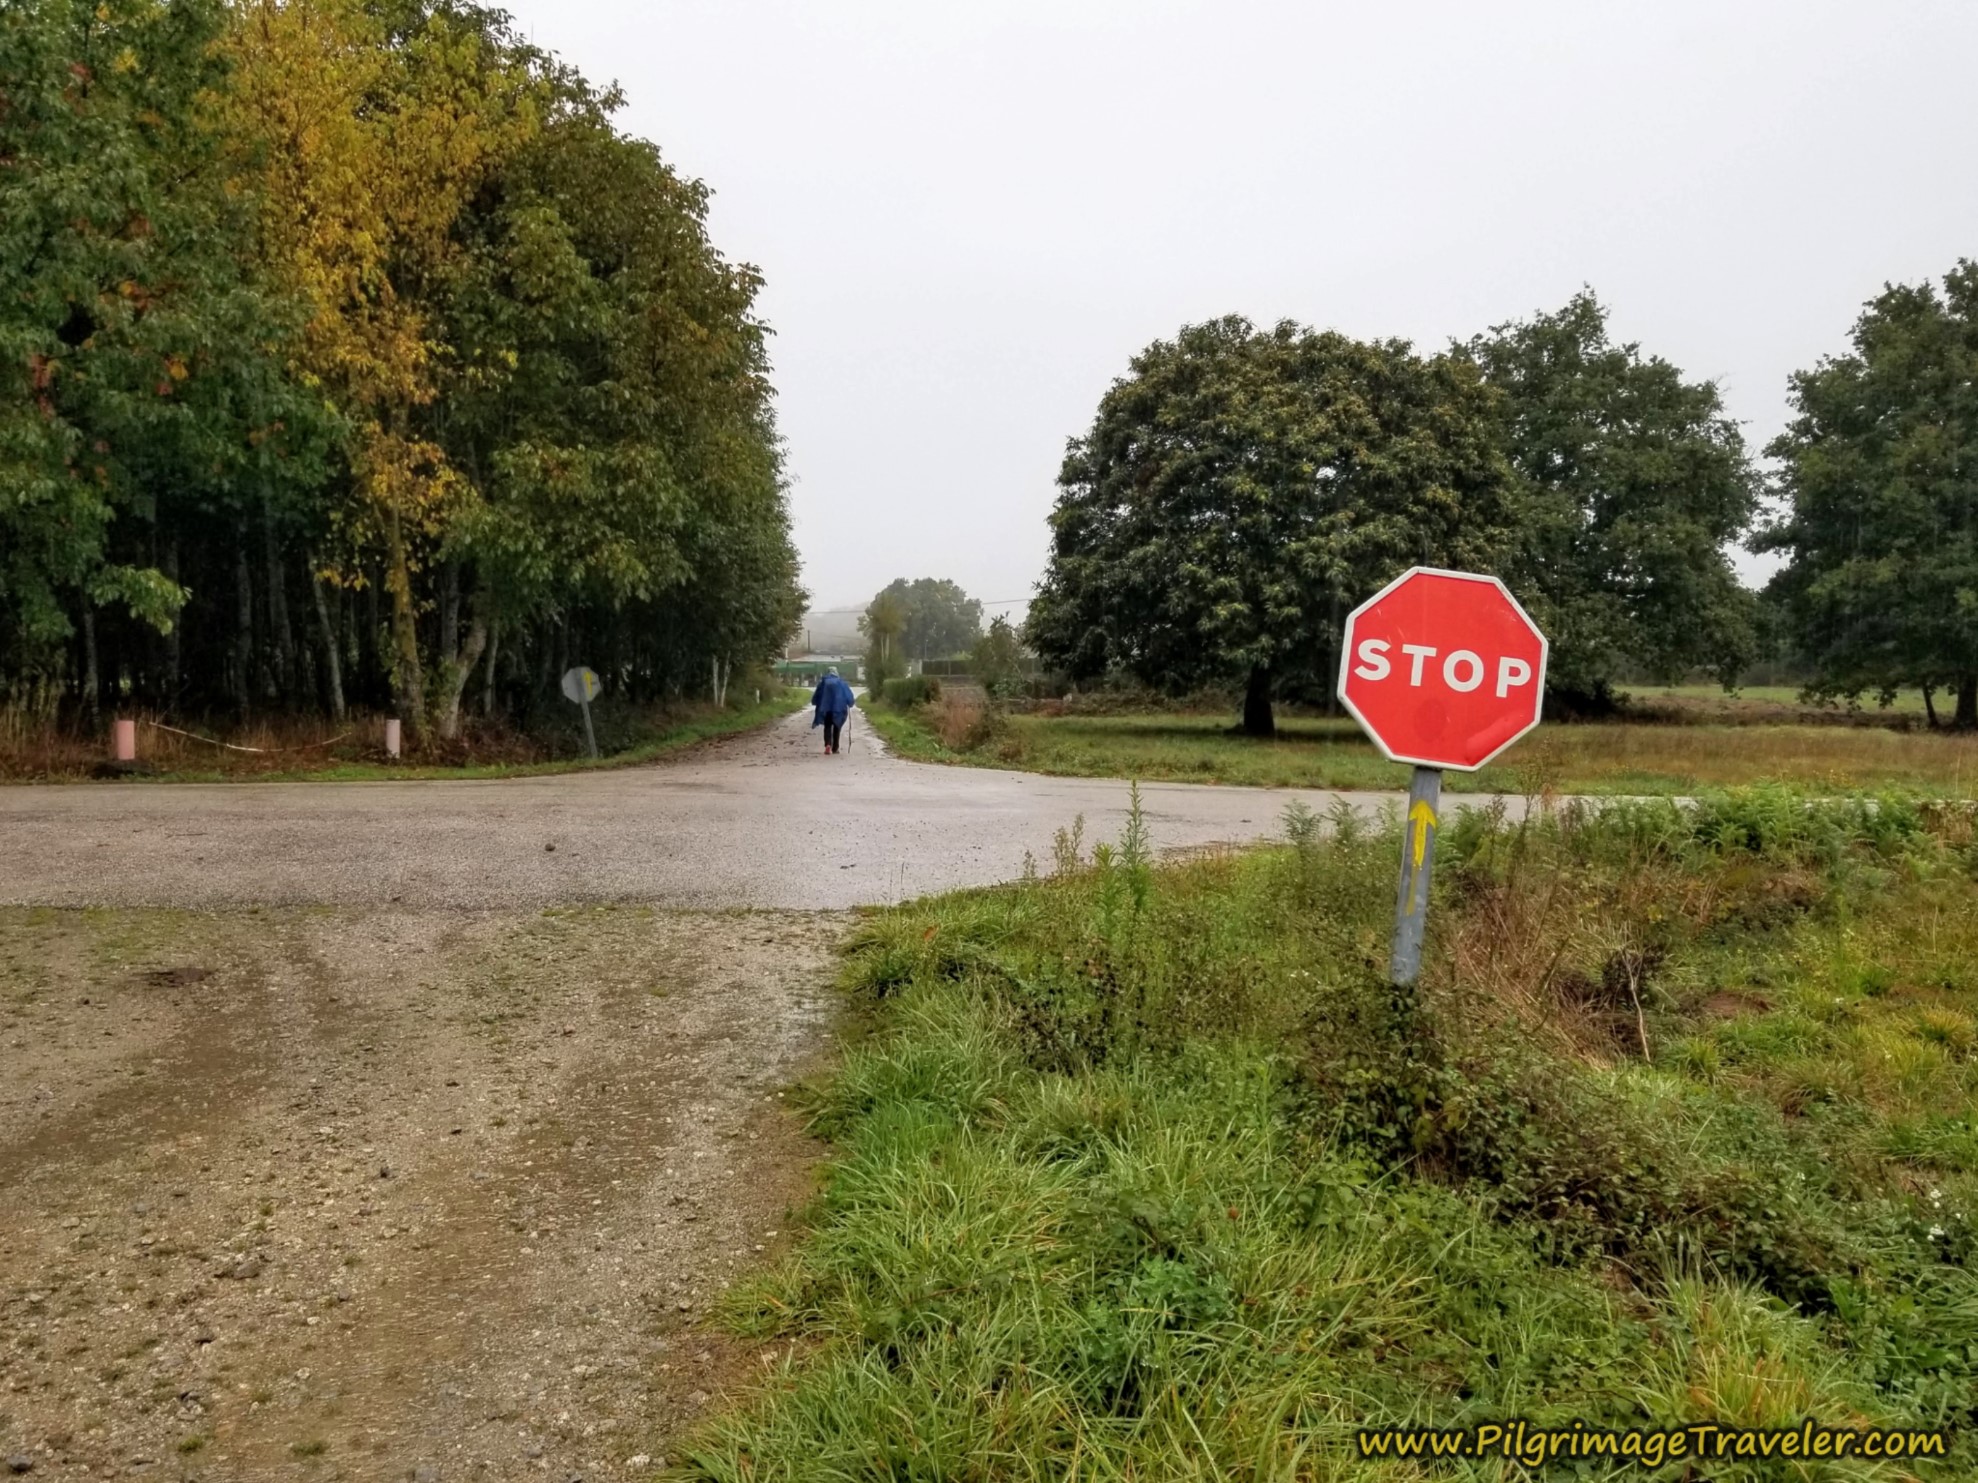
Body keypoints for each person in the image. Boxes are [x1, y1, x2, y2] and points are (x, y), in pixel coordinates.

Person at [810, 667, 855, 754]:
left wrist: (814, 701)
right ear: (836, 673)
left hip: (826, 709)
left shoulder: (823, 682)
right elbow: (848, 694)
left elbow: (817, 694)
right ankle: (835, 748)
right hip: (838, 709)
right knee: (837, 727)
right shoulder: (841, 683)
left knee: (827, 727)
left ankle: (827, 745)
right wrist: (850, 703)